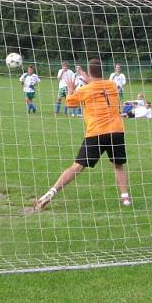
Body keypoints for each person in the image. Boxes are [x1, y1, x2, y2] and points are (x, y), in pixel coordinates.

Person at [28, 59, 131, 213]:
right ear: (102, 71)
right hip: (116, 131)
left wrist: (70, 88)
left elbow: (70, 103)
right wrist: (88, 79)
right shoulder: (111, 85)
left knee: (77, 167)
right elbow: (97, 86)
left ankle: (50, 193)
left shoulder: (84, 90)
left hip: (96, 132)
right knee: (118, 165)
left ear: (89, 73)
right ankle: (125, 198)